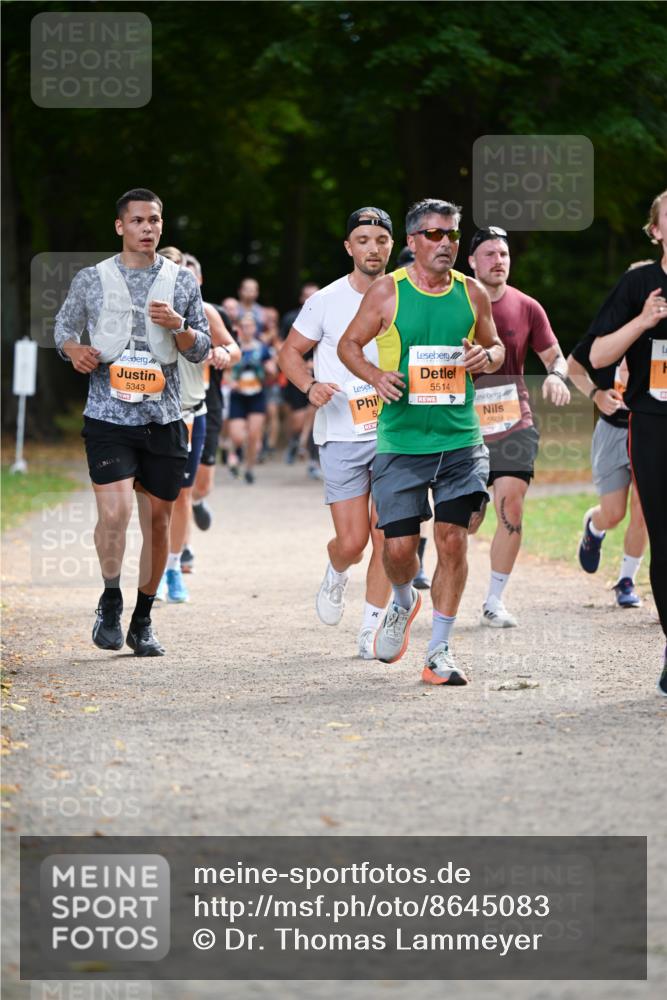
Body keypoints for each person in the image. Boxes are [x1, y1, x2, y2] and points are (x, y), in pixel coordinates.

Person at [338, 198, 505, 685]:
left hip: (460, 440)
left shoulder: (472, 293)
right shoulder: (388, 291)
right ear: (412, 241)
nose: (445, 243)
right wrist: (375, 376)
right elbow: (348, 344)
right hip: (402, 441)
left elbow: (496, 346)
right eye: (434, 234)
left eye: (451, 234)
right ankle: (403, 600)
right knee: (398, 550)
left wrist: (487, 358)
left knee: (452, 539)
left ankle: (439, 651)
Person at [53, 188, 210, 655]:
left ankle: (142, 620)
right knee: (114, 513)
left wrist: (180, 326)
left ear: (162, 225)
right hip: (108, 416)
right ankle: (110, 599)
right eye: (138, 220)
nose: (147, 228)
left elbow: (201, 348)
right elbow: (64, 329)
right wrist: (74, 351)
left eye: (154, 220)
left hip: (164, 417)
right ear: (120, 226)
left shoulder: (182, 282)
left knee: (158, 523)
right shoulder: (92, 279)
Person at [278, 208, 394, 659]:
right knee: (353, 542)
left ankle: (370, 628)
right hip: (342, 431)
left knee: (387, 535)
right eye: (363, 240)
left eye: (381, 239)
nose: (372, 248)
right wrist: (309, 386)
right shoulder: (325, 300)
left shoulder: (406, 295)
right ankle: (336, 570)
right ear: (349, 247)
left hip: (395, 432)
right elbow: (290, 352)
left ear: (391, 245)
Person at [466, 227, 570, 627]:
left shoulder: (527, 306)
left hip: (514, 421)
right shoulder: (456, 303)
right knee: (466, 520)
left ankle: (494, 601)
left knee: (511, 505)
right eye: (489, 254)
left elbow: (555, 356)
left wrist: (556, 376)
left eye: (504, 254)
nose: (499, 260)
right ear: (472, 262)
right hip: (464, 425)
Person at [589, 189, 667, 696]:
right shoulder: (639, 284)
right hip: (653, 421)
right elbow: (595, 355)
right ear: (656, 231)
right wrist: (643, 320)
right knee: (659, 534)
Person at [568, 328, 647, 607]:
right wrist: (596, 394)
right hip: (612, 431)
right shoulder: (610, 327)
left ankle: (626, 581)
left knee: (643, 509)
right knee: (614, 514)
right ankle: (594, 527)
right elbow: (573, 366)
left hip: (649, 431)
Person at [228, 312, 276, 483]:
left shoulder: (262, 348)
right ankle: (234, 452)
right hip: (238, 396)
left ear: (255, 328)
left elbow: (272, 371)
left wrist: (271, 370)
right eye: (244, 326)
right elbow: (225, 370)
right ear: (239, 328)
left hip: (257, 395)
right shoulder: (233, 347)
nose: (247, 329)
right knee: (237, 436)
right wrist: (230, 382)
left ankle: (249, 468)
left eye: (250, 326)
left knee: (254, 435)